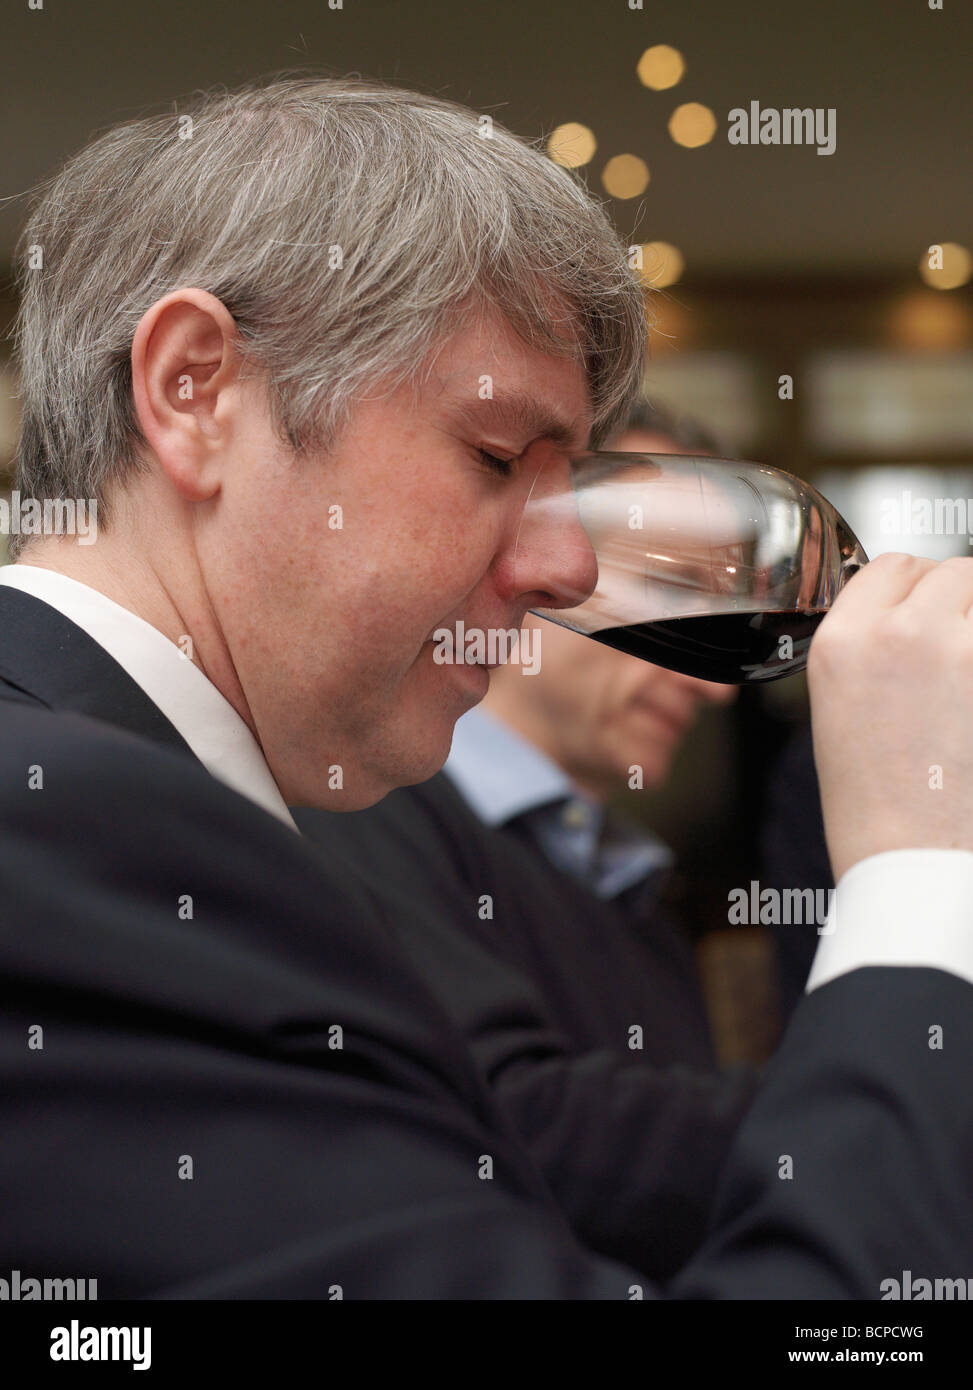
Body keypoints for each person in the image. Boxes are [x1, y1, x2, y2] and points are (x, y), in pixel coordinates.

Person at [2, 73, 973, 1299]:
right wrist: (921, 873)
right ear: (196, 388)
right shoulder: (64, 830)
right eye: (495, 454)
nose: (569, 572)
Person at [295, 401, 756, 1281]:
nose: (715, 685)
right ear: (538, 568)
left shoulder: (631, 887)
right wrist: (879, 1102)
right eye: (679, 591)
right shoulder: (356, 811)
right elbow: (510, 1127)